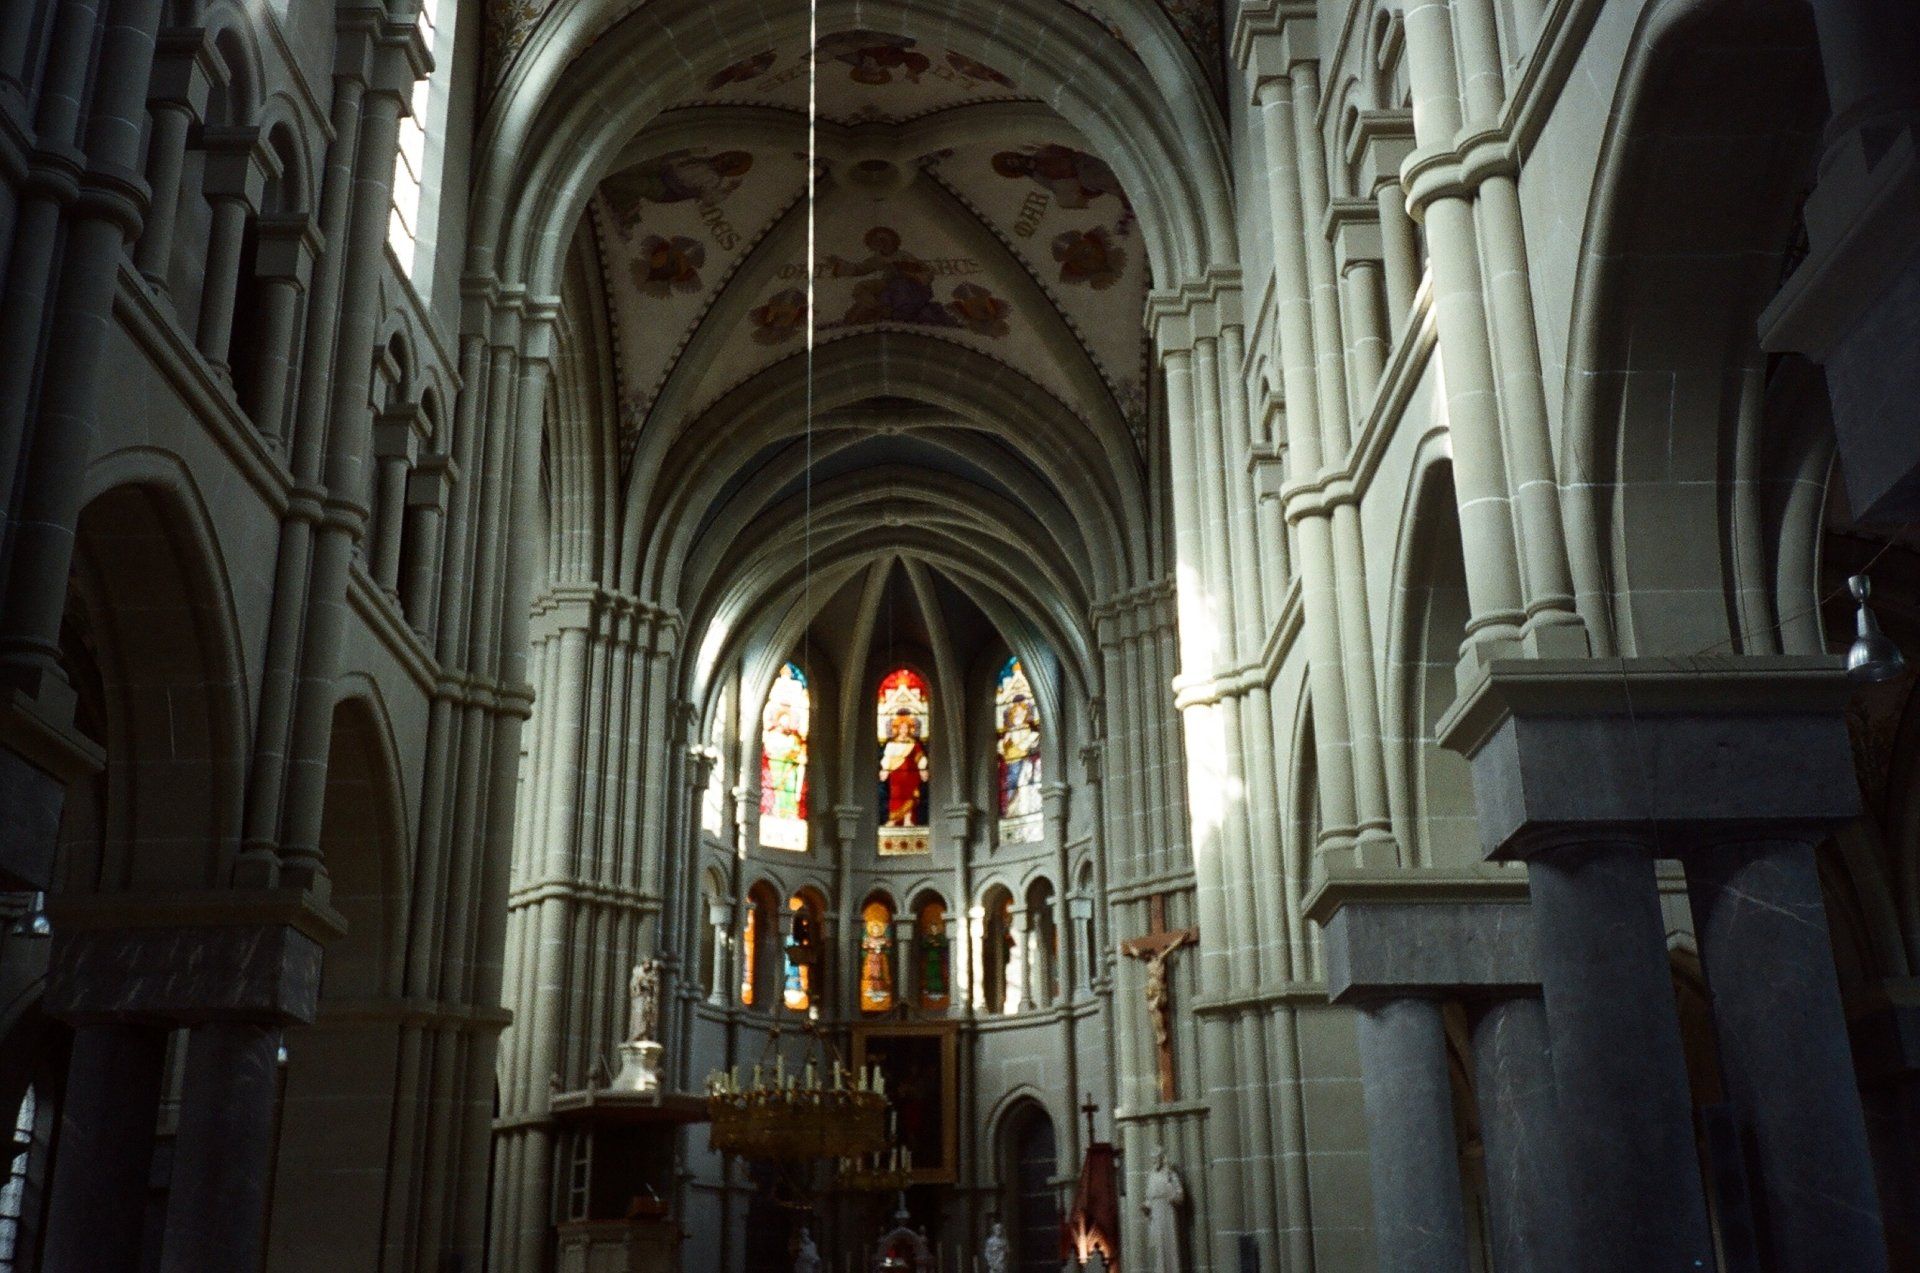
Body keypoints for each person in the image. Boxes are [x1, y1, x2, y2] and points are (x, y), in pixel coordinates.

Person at [1142, 1147, 1185, 1273]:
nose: (1154, 1161)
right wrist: (1146, 1206)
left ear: (1162, 1158)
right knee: (1157, 1247)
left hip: (1167, 1210)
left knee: (1169, 1245)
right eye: (1152, 1158)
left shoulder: (1170, 1174)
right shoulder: (1151, 1175)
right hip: (1155, 1213)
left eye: (1156, 1158)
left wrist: (1172, 1196)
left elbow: (1180, 1195)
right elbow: (1149, 1196)